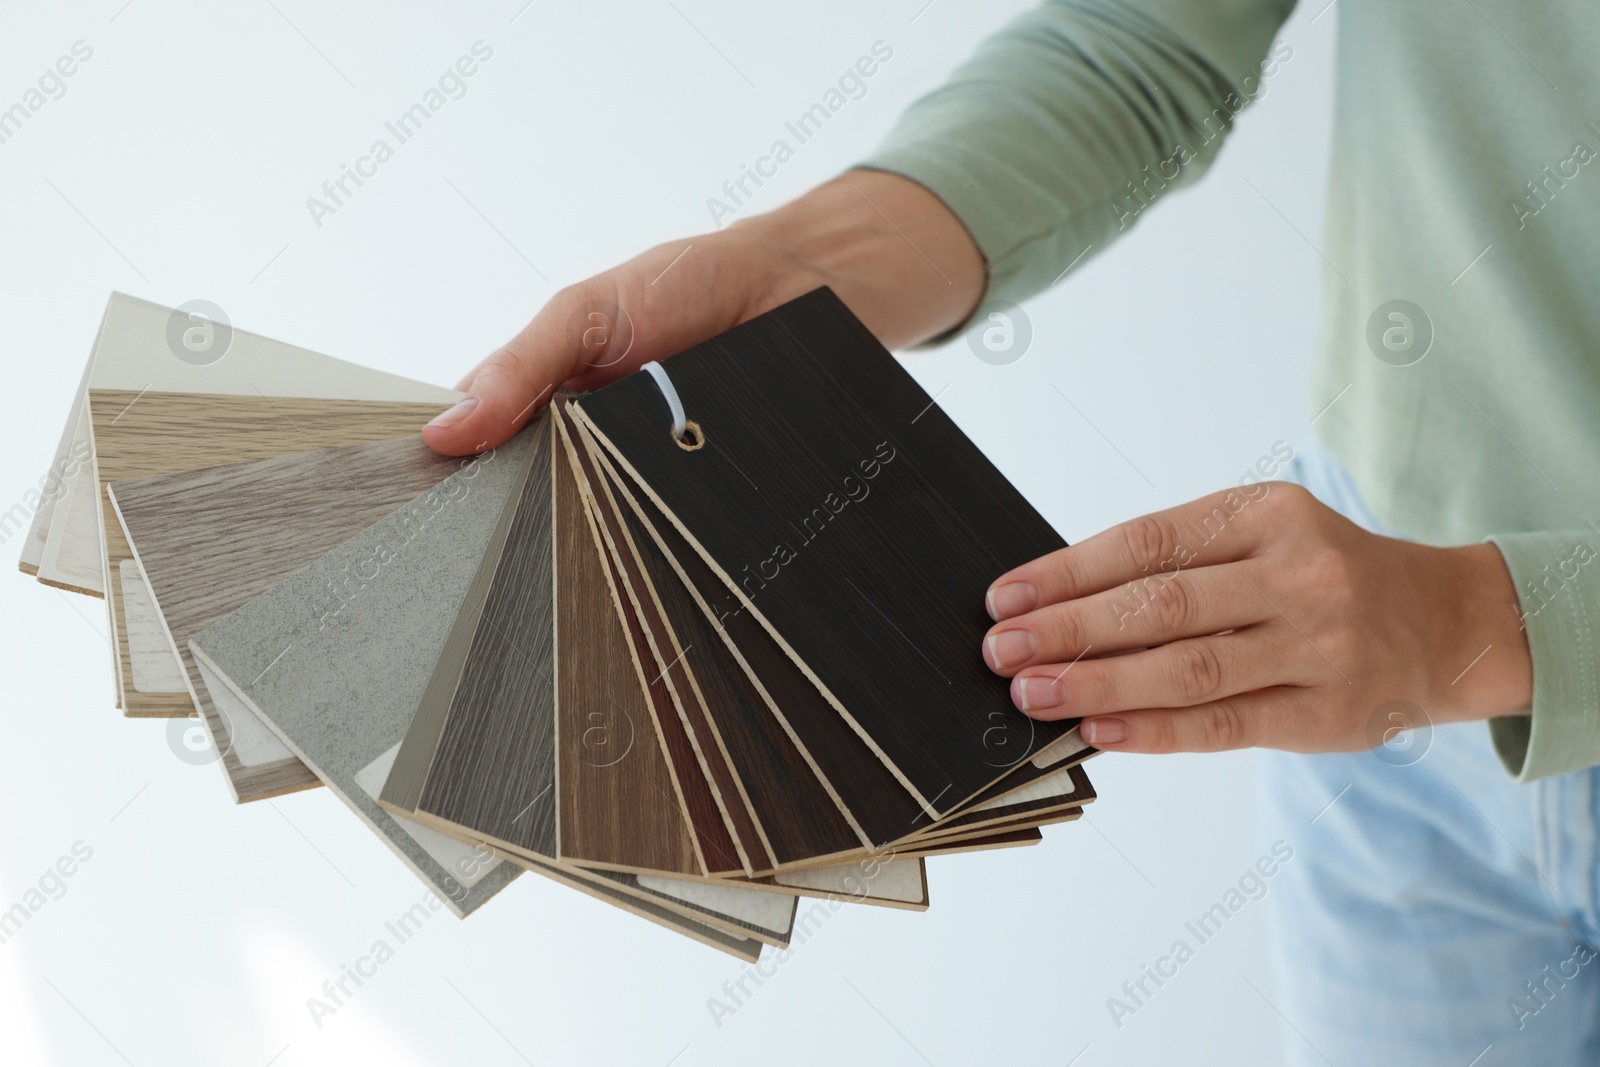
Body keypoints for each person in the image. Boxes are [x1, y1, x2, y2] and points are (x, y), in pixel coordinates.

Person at [424, 2, 1600, 1060]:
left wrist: (1495, 619)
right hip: (1367, 682)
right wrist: (803, 267)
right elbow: (1150, 42)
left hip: (1423, 630)